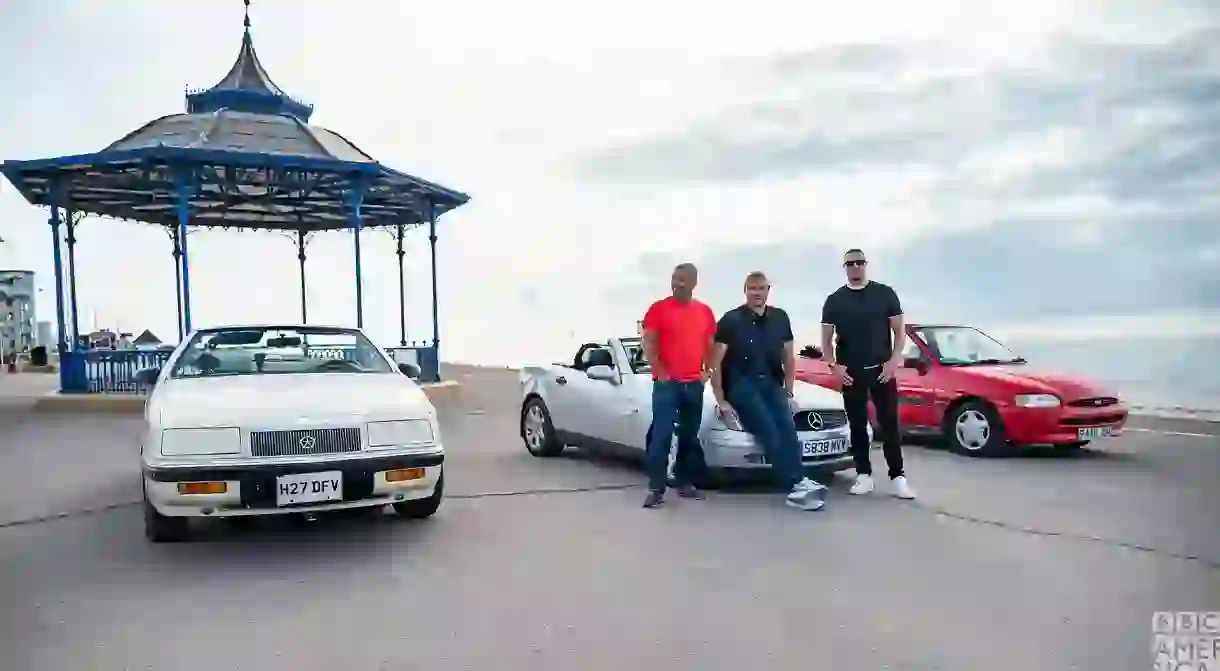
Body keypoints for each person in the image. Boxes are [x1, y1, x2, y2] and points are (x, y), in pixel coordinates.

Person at [708, 271, 828, 510]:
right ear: (745, 291)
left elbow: (788, 357)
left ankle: (800, 480)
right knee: (768, 430)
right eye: (752, 289)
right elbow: (714, 363)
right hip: (742, 387)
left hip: (771, 383)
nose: (757, 293)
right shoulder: (730, 321)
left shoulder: (780, 318)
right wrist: (721, 400)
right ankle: (795, 484)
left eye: (761, 288)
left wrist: (789, 390)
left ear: (768, 291)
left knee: (787, 427)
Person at [820, 249, 916, 499]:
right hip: (851, 373)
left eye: (859, 262)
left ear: (865, 265)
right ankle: (863, 475)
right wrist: (834, 367)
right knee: (857, 426)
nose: (855, 267)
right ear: (845, 268)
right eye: (849, 264)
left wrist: (894, 360)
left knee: (889, 425)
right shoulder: (835, 300)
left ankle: (898, 477)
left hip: (882, 371)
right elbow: (826, 340)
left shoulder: (884, 294)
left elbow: (899, 331)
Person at [639, 263, 716, 508]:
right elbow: (648, 342)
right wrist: (660, 371)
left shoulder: (704, 312)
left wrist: (707, 373)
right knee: (661, 434)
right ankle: (656, 488)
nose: (677, 284)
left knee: (689, 436)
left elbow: (712, 346)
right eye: (674, 279)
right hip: (667, 385)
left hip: (694, 384)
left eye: (682, 280)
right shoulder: (658, 309)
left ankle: (684, 483)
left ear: (694, 282)